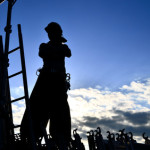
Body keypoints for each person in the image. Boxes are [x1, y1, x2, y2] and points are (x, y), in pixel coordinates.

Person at [20, 22, 72, 149]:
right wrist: (56, 50)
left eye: (52, 33)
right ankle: (29, 135)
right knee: (36, 106)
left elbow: (68, 53)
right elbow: (43, 53)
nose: (50, 35)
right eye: (49, 33)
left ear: (58, 34)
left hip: (58, 82)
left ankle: (61, 139)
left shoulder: (64, 47)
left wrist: (56, 49)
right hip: (45, 80)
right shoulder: (44, 46)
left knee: (60, 110)